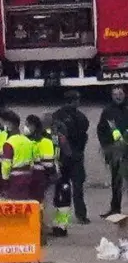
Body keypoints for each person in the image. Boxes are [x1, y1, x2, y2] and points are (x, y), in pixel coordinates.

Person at [52, 91, 91, 224]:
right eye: (77, 100)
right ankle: (79, 215)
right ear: (73, 101)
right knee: (73, 187)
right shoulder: (75, 116)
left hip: (69, 156)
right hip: (70, 156)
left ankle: (66, 216)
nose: (78, 102)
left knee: (68, 187)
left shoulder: (59, 115)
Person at [99, 86, 128, 214]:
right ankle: (115, 208)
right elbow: (101, 130)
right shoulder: (107, 111)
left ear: (125, 95)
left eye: (120, 94)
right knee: (116, 181)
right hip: (115, 151)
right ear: (111, 96)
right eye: (115, 94)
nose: (118, 96)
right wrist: (107, 148)